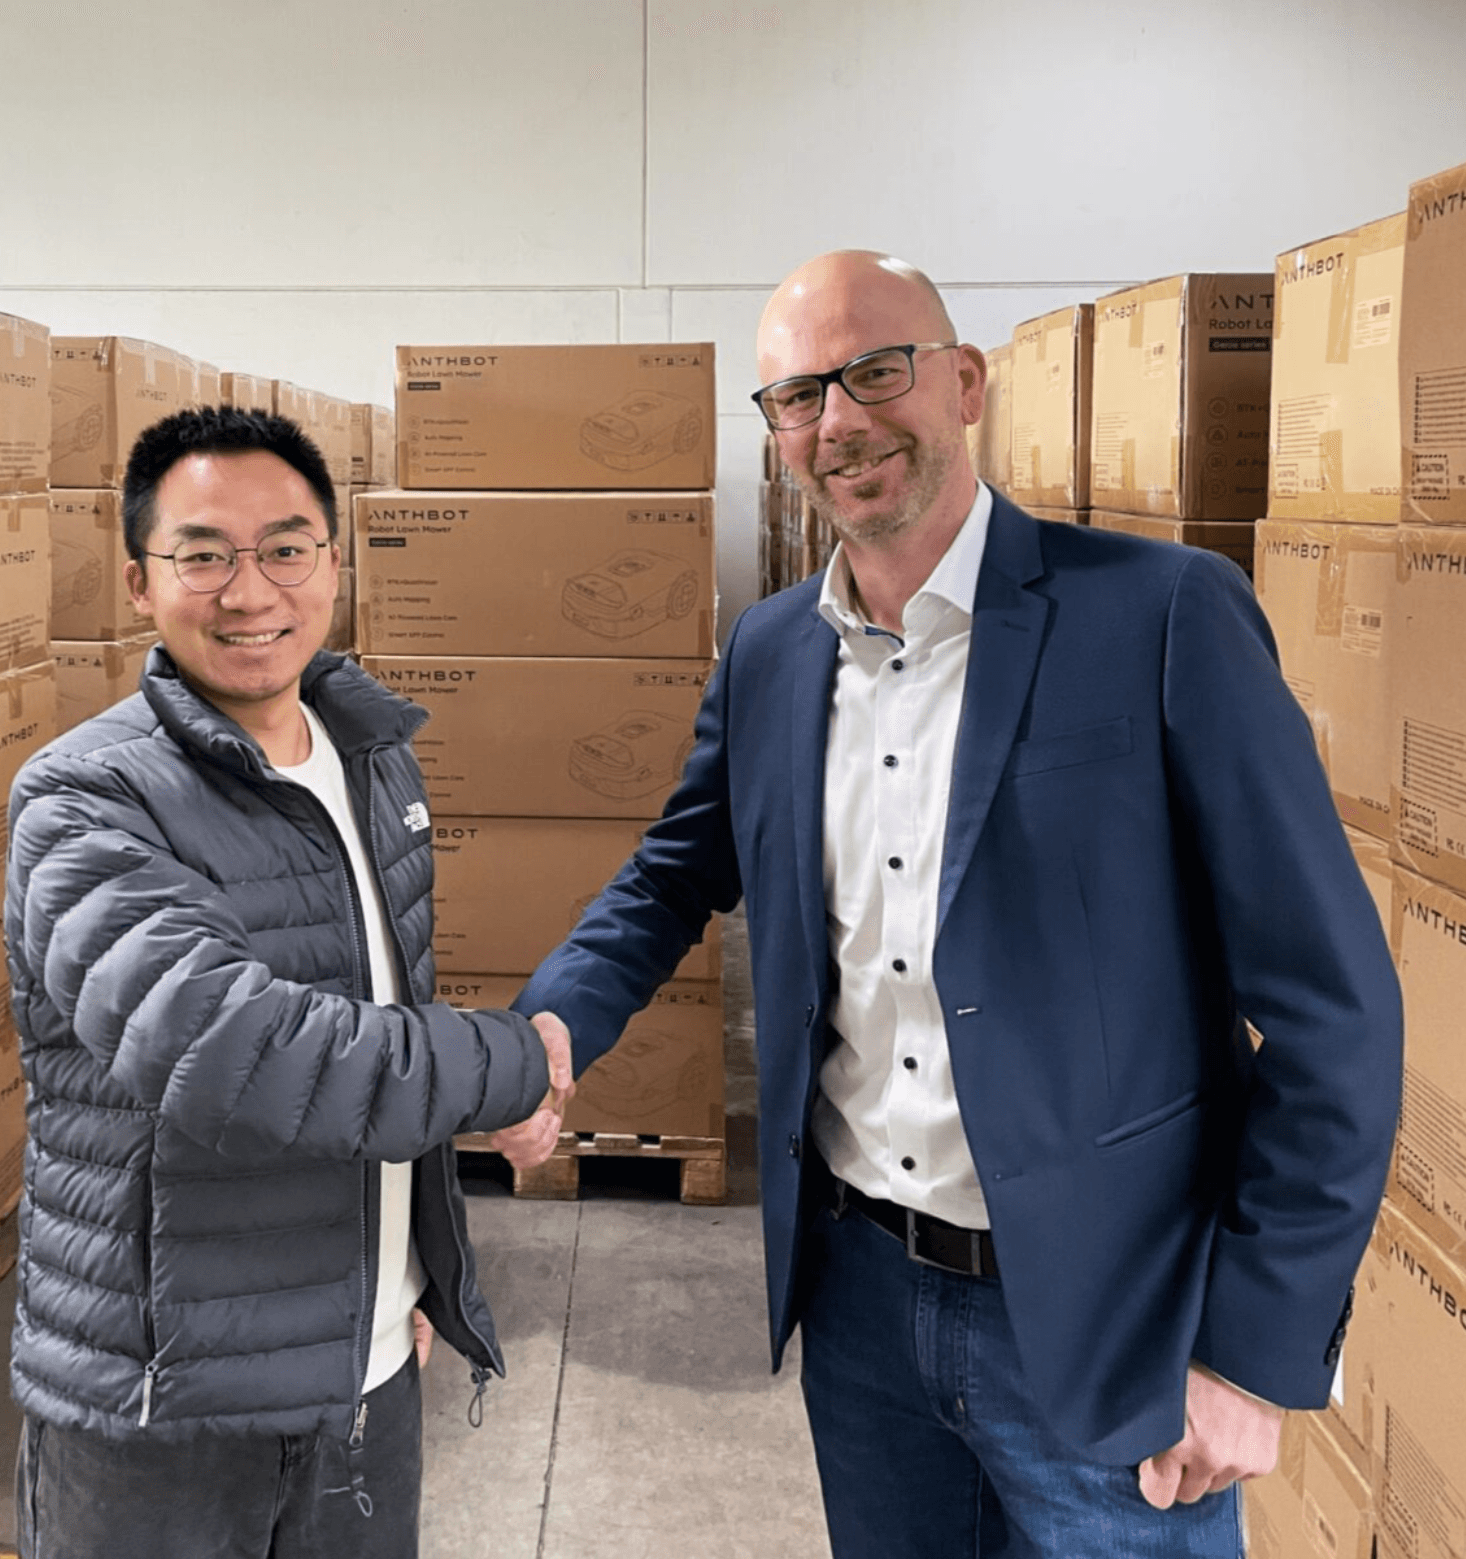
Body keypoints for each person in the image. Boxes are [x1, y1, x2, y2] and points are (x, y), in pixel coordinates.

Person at [498, 251, 1402, 1556]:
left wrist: (1253, 1347)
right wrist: (551, 1024)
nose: (840, 421)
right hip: (859, 1301)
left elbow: (1335, 1012)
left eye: (875, 370)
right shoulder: (769, 652)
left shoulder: (1155, 617)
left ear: (962, 381)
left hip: (1105, 1314)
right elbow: (671, 874)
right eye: (798, 395)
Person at [4, 404, 572, 1559]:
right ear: (139, 580)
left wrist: (410, 1270)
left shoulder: (371, 755)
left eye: (286, 547)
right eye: (203, 554)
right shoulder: (84, 800)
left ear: (332, 560)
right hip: (164, 1416)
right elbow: (237, 1052)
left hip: (362, 1379)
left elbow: (377, 1014)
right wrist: (511, 1063)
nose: (250, 589)